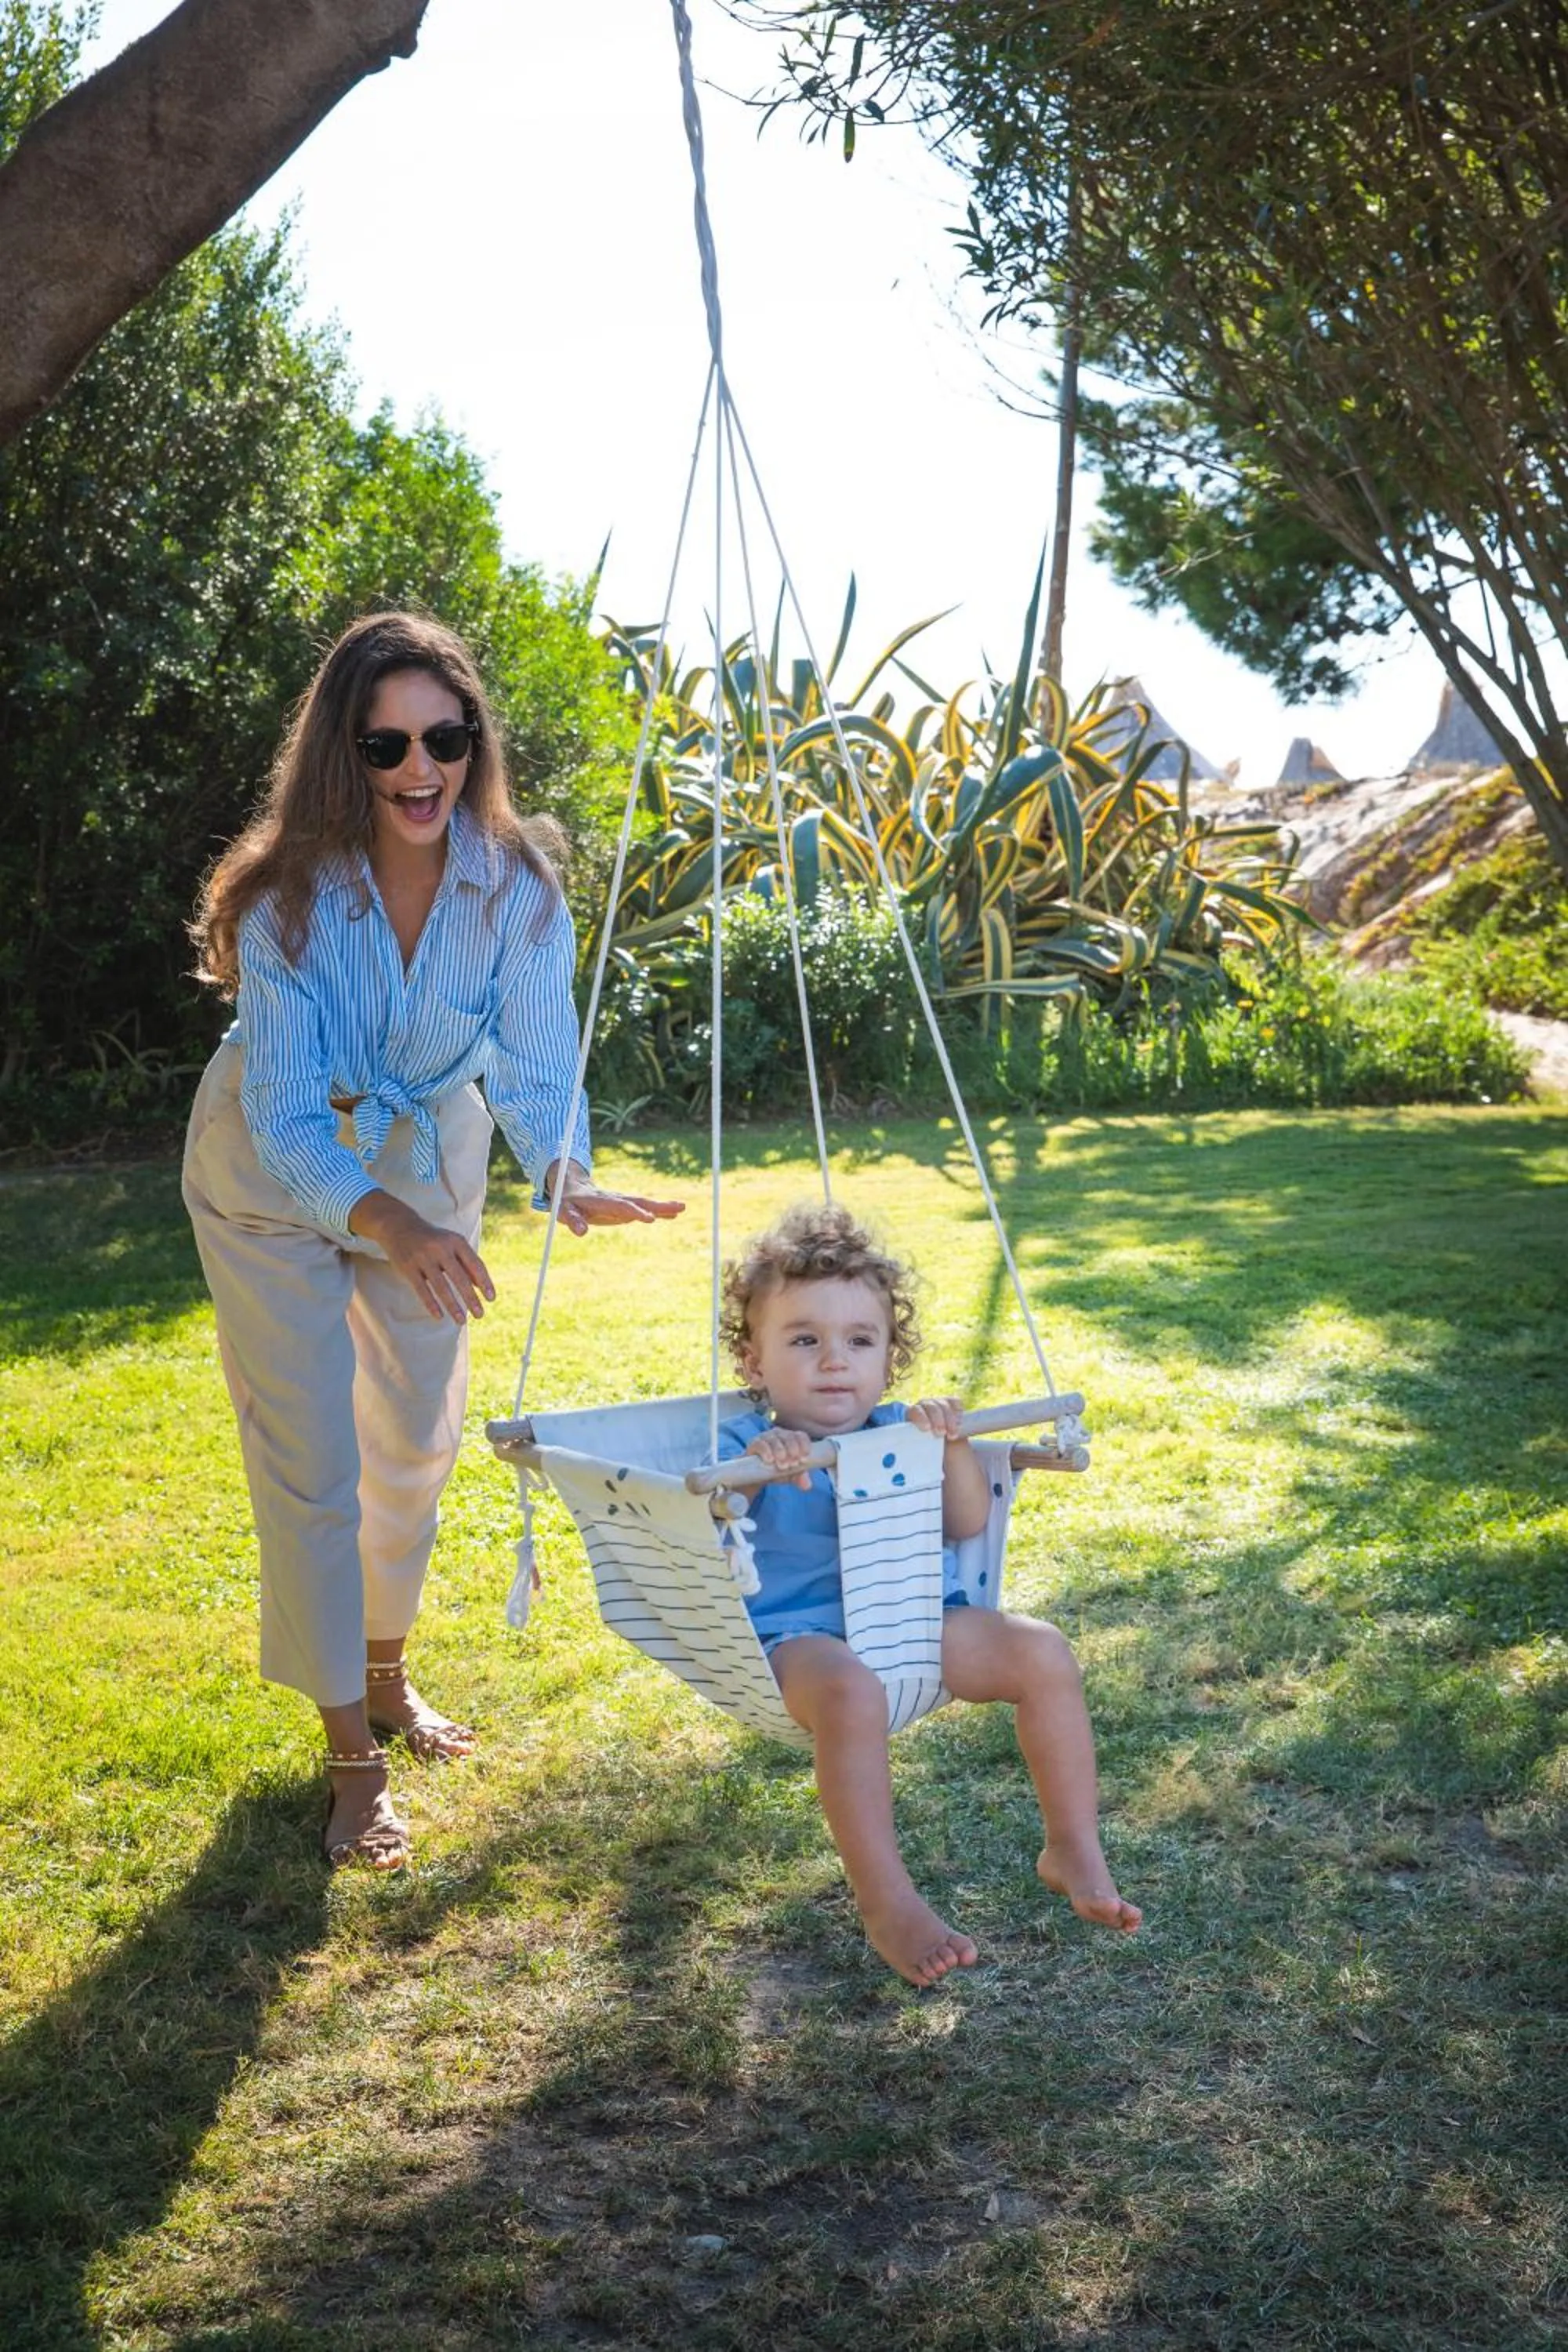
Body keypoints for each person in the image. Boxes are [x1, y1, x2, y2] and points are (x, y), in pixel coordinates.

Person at [183, 610, 682, 1871]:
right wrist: (392, 1223)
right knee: (311, 1459)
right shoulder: (287, 903)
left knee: (413, 1441)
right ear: (342, 754)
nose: (420, 770)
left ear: (475, 742)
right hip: (268, 1175)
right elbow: (292, 1120)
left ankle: (389, 1675)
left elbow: (532, 1056)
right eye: (387, 743)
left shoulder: (515, 885)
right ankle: (353, 1760)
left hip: (422, 1155)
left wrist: (563, 1171)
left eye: (445, 738)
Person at [718, 1201, 1140, 1987]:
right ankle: (888, 1903)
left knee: (1039, 1650)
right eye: (803, 1341)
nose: (833, 1361)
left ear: (888, 1358)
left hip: (916, 1621)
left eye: (858, 1341)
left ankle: (1071, 1842)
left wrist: (946, 1445)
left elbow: (963, 1520)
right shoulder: (742, 1446)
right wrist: (760, 1473)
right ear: (752, 1362)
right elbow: (707, 1535)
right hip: (800, 1641)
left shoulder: (899, 1432)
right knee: (848, 1693)